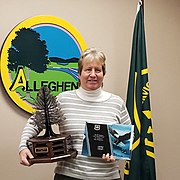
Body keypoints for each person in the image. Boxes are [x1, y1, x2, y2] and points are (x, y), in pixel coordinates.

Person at [19, 47, 131, 180]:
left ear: (103, 74)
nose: (93, 74)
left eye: (98, 70)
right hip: (68, 175)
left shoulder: (116, 103)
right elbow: (35, 123)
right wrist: (23, 147)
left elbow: (128, 138)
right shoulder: (63, 99)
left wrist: (117, 154)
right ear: (79, 73)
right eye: (88, 69)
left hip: (108, 176)